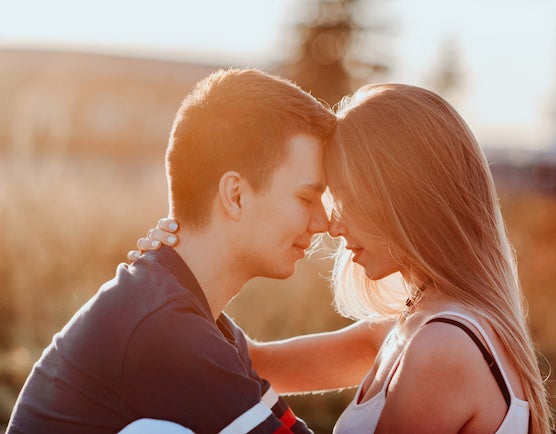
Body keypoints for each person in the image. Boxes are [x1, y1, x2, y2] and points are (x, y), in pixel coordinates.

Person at [140, 83, 556, 433]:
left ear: (401, 200)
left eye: (347, 199)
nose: (333, 227)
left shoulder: (441, 348)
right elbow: (251, 363)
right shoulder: (411, 330)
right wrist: (183, 265)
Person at [6, 68, 347, 434]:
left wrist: (409, 329)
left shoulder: (187, 314)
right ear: (235, 195)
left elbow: (292, 410)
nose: (323, 221)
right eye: (307, 197)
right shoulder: (166, 330)